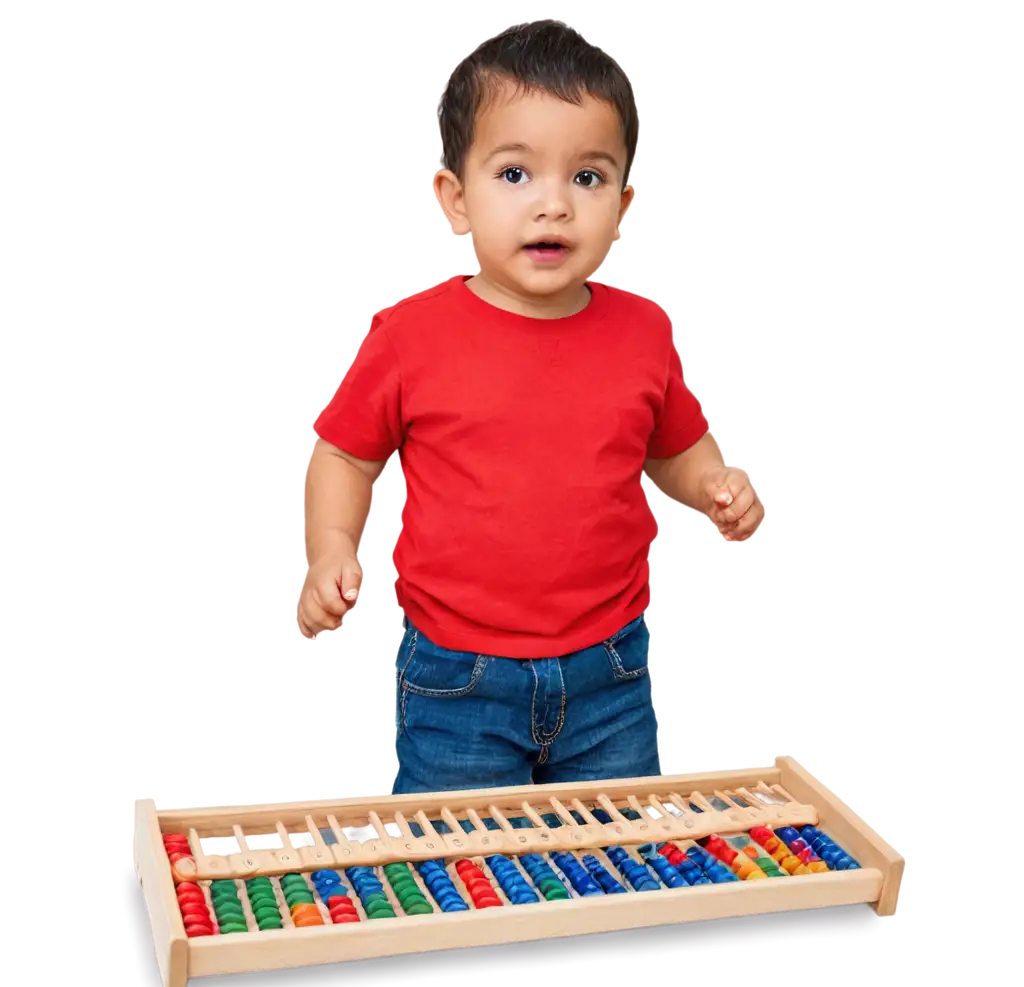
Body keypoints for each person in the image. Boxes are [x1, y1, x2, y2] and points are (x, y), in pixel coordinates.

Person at [298, 20, 762, 795]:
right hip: (458, 677)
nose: (554, 206)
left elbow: (676, 445)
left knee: (617, 859)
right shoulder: (410, 336)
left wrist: (715, 484)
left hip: (610, 668)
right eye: (516, 175)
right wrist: (329, 544)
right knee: (458, 868)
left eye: (587, 178)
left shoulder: (642, 333)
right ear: (454, 198)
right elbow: (343, 449)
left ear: (623, 204)